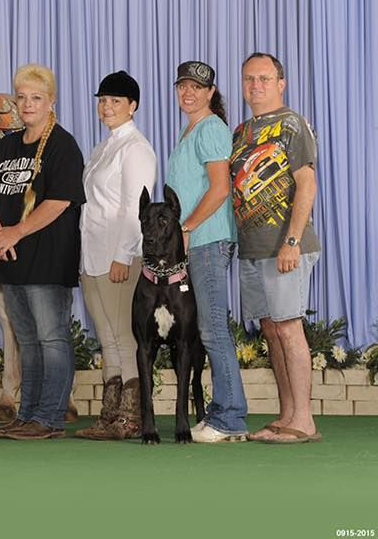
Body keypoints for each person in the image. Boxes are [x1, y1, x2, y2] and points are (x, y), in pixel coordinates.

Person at [0, 64, 85, 440]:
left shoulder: (63, 146)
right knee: (26, 340)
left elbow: (59, 202)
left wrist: (16, 233)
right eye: (21, 97)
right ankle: (28, 415)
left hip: (48, 257)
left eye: (36, 98)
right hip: (10, 258)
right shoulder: (7, 144)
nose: (27, 104)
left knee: (51, 338)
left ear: (51, 101)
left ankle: (51, 417)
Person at [232, 52, 321, 443]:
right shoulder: (241, 132)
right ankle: (287, 415)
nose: (256, 85)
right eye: (249, 79)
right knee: (271, 329)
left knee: (288, 327)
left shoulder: (292, 124)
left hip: (285, 246)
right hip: (253, 249)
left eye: (264, 78)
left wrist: (292, 241)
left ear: (281, 83)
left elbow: (307, 183)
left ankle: (304, 420)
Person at [165, 60, 248, 443]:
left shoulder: (211, 129)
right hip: (198, 242)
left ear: (211, 93)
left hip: (208, 240)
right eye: (183, 86)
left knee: (213, 329)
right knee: (207, 328)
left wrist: (186, 228)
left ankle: (230, 418)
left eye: (196, 87)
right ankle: (222, 413)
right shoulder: (192, 129)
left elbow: (220, 189)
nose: (188, 93)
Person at [76, 71, 156, 440]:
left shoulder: (136, 148)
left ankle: (132, 416)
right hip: (93, 253)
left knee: (124, 337)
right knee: (107, 337)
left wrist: (124, 254)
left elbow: (134, 208)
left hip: (118, 253)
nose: (107, 107)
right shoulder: (102, 148)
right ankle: (110, 415)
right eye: (103, 100)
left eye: (116, 101)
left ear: (132, 106)